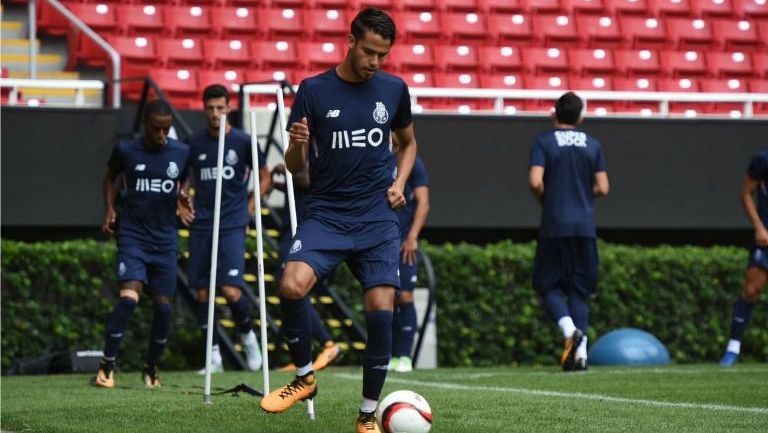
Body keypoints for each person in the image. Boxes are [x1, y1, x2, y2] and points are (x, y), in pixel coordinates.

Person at [258, 8, 418, 433]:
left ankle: (367, 414)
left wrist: (400, 182)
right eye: (369, 52)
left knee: (381, 310)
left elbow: (408, 144)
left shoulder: (393, 89)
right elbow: (294, 167)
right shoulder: (313, 90)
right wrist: (296, 146)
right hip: (327, 213)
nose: (375, 62)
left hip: (377, 218)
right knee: (291, 284)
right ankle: (304, 377)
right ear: (350, 41)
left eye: (383, 55)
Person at [93, 99, 192, 389]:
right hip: (133, 235)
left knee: (164, 309)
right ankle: (106, 367)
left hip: (165, 239)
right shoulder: (126, 150)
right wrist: (109, 208)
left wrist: (183, 198)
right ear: (145, 126)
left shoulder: (181, 152)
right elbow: (110, 178)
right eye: (156, 129)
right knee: (129, 297)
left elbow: (184, 181)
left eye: (166, 129)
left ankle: (151, 369)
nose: (161, 135)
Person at [179, 84, 271, 373]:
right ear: (204, 109)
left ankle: (248, 338)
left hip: (232, 222)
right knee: (203, 293)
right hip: (202, 224)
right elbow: (183, 181)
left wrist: (252, 204)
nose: (216, 114)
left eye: (221, 108)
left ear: (229, 108)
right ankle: (213, 356)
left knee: (231, 290)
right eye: (210, 108)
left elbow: (265, 176)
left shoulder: (243, 142)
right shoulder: (193, 143)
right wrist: (181, 202)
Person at [528, 91, 609, 372]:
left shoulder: (544, 141)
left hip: (554, 225)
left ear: (555, 113)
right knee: (579, 291)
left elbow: (535, 181)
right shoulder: (593, 144)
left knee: (547, 286)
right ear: (581, 116)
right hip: (584, 227)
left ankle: (568, 331)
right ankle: (581, 354)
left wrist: (548, 198)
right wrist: (582, 196)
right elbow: (603, 187)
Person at [271, 163, 343, 373]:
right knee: (292, 290)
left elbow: (304, 180)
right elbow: (300, 187)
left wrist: (288, 166)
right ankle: (304, 356)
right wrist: (276, 184)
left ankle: (328, 344)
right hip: (292, 228)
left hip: (302, 228)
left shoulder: (315, 148)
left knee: (290, 285)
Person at [719, 149, 768, 366]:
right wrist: (759, 227)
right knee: (751, 290)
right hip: (766, 238)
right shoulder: (763, 159)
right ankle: (733, 349)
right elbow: (746, 193)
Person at [389, 155, 430, 373]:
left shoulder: (413, 162)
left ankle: (404, 356)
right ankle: (390, 355)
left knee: (405, 295)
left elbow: (423, 202)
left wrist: (413, 236)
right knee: (386, 298)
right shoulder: (376, 155)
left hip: (405, 241)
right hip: (381, 238)